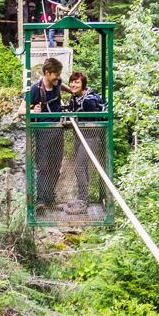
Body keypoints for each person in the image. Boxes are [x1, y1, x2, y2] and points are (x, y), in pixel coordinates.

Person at [28, 57, 65, 212]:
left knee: (56, 166)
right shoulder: (35, 89)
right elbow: (21, 110)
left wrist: (76, 90)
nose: (58, 77)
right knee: (43, 166)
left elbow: (63, 86)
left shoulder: (57, 83)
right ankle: (40, 200)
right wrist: (32, 111)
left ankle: (50, 198)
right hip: (43, 132)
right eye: (56, 74)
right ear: (47, 73)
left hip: (58, 130)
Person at [66, 71, 105, 214]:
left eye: (77, 82)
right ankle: (82, 199)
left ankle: (82, 201)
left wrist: (74, 119)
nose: (73, 85)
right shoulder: (74, 97)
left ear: (83, 84)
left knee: (79, 167)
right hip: (79, 136)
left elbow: (91, 121)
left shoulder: (89, 100)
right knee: (83, 168)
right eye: (72, 82)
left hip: (90, 137)